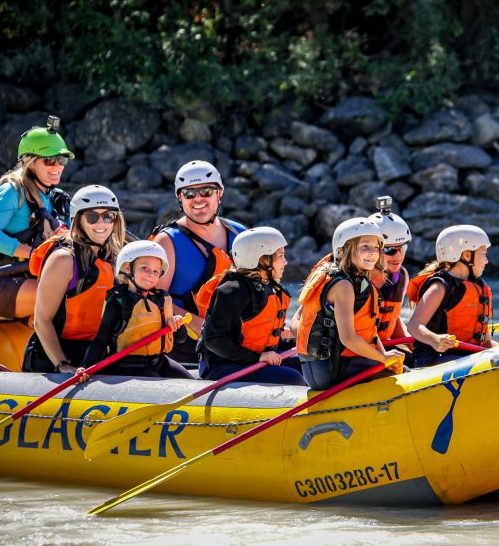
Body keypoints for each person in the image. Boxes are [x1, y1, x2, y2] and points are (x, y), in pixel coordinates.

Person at [0, 115, 73, 319]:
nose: (57, 166)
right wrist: (34, 254)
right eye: (49, 160)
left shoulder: (56, 199)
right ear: (30, 162)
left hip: (25, 276)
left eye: (62, 160)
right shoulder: (12, 190)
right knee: (61, 296)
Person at [152, 160, 246, 367]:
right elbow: (154, 299)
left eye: (206, 191)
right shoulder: (167, 241)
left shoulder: (239, 234)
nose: (198, 199)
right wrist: (203, 327)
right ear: (180, 197)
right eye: (189, 194)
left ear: (219, 193)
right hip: (187, 348)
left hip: (237, 344)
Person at [22, 185, 123, 373]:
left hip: (95, 351)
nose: (102, 223)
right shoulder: (64, 259)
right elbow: (41, 320)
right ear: (77, 220)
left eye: (109, 216)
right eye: (92, 217)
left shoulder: (112, 257)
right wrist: (62, 365)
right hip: (56, 356)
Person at [296, 218, 404, 389]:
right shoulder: (343, 285)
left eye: (376, 247)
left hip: (328, 365)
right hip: (331, 370)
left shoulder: (349, 279)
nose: (372, 253)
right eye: (364, 247)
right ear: (342, 251)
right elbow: (348, 338)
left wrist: (384, 355)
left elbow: (370, 332)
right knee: (401, 377)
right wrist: (382, 359)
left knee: (397, 368)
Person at [199, 227, 305, 385]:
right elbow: (214, 339)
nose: (285, 262)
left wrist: (287, 338)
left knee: (308, 364)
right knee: (292, 378)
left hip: (253, 360)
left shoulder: (269, 287)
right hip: (223, 365)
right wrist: (257, 358)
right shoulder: (232, 291)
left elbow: (259, 334)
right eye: (281, 256)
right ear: (261, 259)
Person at [78, 241, 193, 379]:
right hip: (127, 365)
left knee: (189, 381)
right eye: (145, 268)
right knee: (153, 379)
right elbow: (101, 340)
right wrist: (85, 367)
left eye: (156, 271)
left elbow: (181, 338)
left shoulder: (161, 300)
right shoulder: (118, 302)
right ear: (127, 268)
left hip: (159, 360)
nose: (151, 274)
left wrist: (176, 325)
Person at [406, 225, 496, 368]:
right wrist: (435, 339)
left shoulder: (480, 288)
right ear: (467, 255)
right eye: (483, 253)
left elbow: (485, 342)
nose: (487, 261)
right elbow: (413, 325)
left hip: (468, 357)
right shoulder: (440, 287)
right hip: (436, 360)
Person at [367, 196, 413, 346]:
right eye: (390, 250)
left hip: (383, 349)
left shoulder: (400, 276)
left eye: (403, 248)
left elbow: (390, 315)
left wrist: (409, 342)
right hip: (354, 356)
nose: (398, 256)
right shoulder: (349, 281)